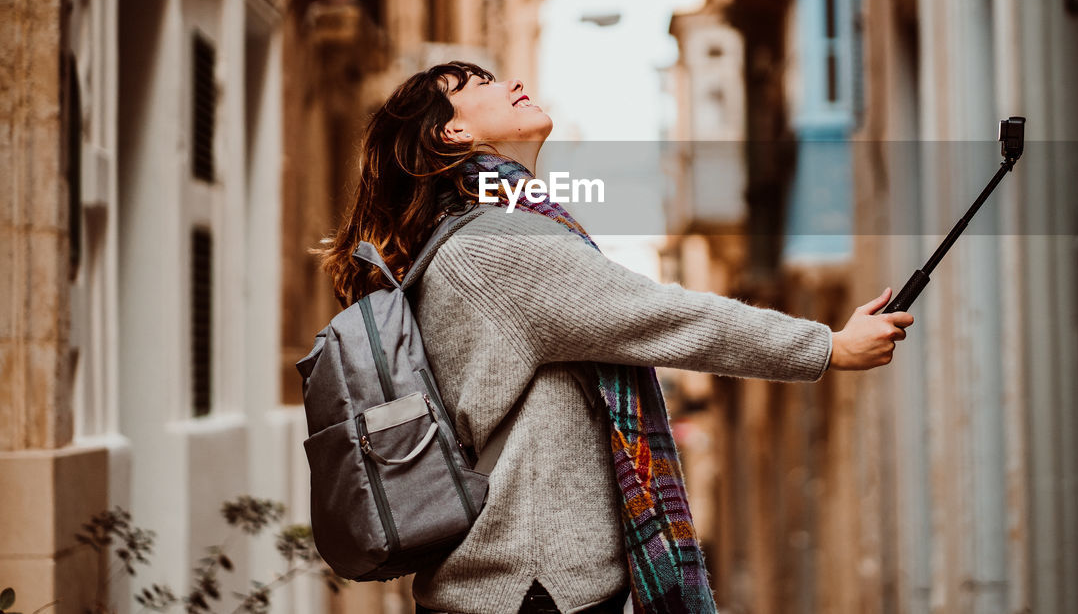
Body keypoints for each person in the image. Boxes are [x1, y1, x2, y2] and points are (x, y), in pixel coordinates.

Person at [318, 62, 914, 614]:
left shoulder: (484, 237)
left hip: (512, 582)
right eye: (477, 83)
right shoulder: (498, 246)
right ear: (451, 134)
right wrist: (828, 347)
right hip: (530, 586)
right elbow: (663, 316)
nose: (509, 82)